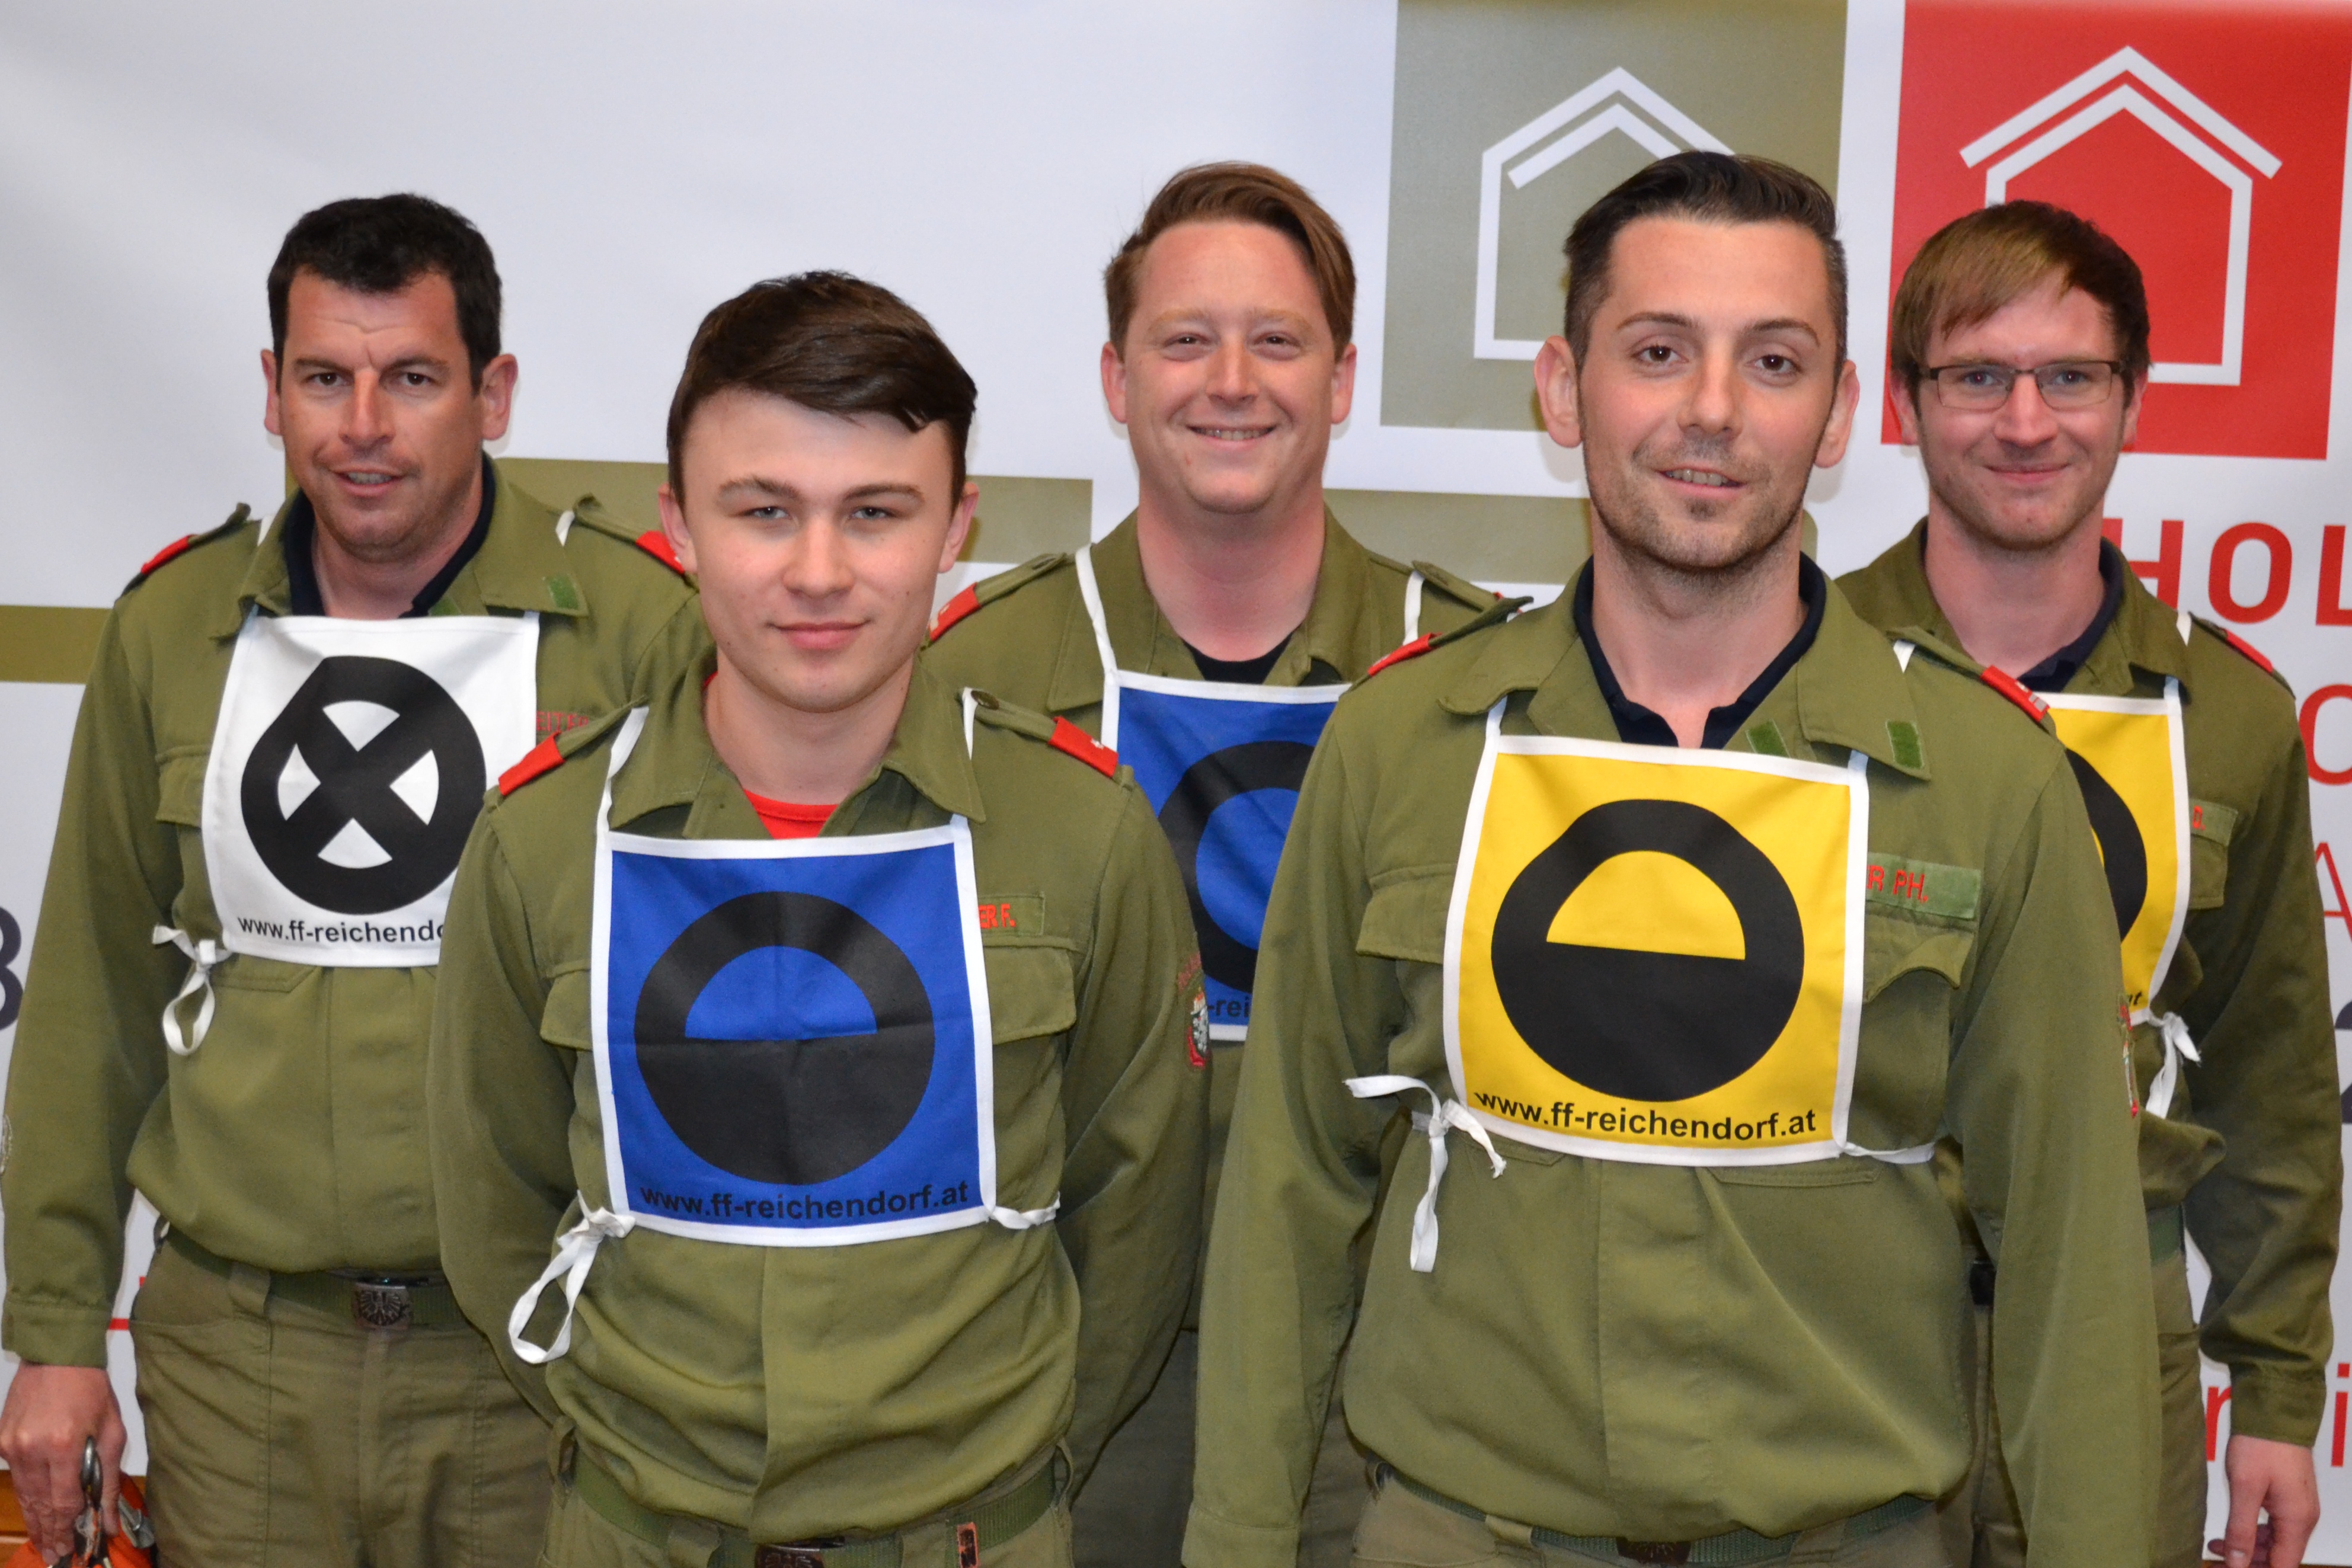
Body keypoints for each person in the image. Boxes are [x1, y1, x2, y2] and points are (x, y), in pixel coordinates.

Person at [1184, 152, 2161, 1568]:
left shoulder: (1989, 780)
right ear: (1562, 389)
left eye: (1773, 361)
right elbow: (1288, 1196)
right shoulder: (1401, 745)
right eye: (1657, 352)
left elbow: (2072, 1252)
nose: (1712, 409)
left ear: (1837, 413)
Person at [427, 271, 1210, 1567]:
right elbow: (494, 1203)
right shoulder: (543, 838)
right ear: (678, 525)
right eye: (764, 511)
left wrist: (1016, 1459)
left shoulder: (1085, 829)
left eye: (876, 513)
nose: (819, 572)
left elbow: (1134, 1212)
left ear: (957, 527)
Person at [0, 193, 692, 1564]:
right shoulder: (173, 628)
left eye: (413, 379)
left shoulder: (641, 631)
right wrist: (58, 1334)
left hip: (536, 1356)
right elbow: (90, 1004)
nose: (362, 425)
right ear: (272, 392)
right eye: (325, 378)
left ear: (494, 394)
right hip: (241, 1366)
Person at [922, 162, 1501, 1568]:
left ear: (1342, 380)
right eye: (1185, 340)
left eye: (1276, 341)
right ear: (1115, 379)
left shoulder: (1476, 684)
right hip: (1070, 1385)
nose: (1230, 382)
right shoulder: (969, 676)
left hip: (1392, 1389)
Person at [1840, 200, 2341, 1568]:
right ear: (1906, 403)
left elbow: (2270, 1083)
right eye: (1977, 377)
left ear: (2132, 398)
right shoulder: (1792, 678)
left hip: (2120, 1339)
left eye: (2068, 376)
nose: (2025, 422)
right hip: (1829, 1333)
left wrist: (2277, 1396)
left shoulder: (2229, 715)